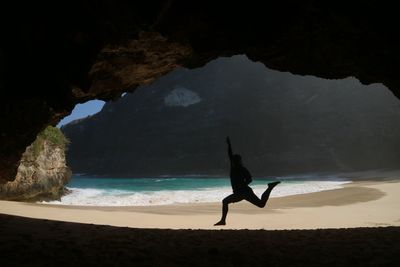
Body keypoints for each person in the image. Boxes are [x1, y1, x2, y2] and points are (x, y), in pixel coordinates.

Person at [214, 136, 280, 226]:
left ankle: (223, 221)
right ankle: (270, 187)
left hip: (243, 192)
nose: (233, 161)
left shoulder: (238, 168)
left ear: (236, 161)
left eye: (234, 160)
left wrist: (242, 185)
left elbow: (249, 179)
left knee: (226, 201)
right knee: (261, 204)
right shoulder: (238, 168)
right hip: (243, 192)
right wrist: (229, 145)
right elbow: (230, 155)